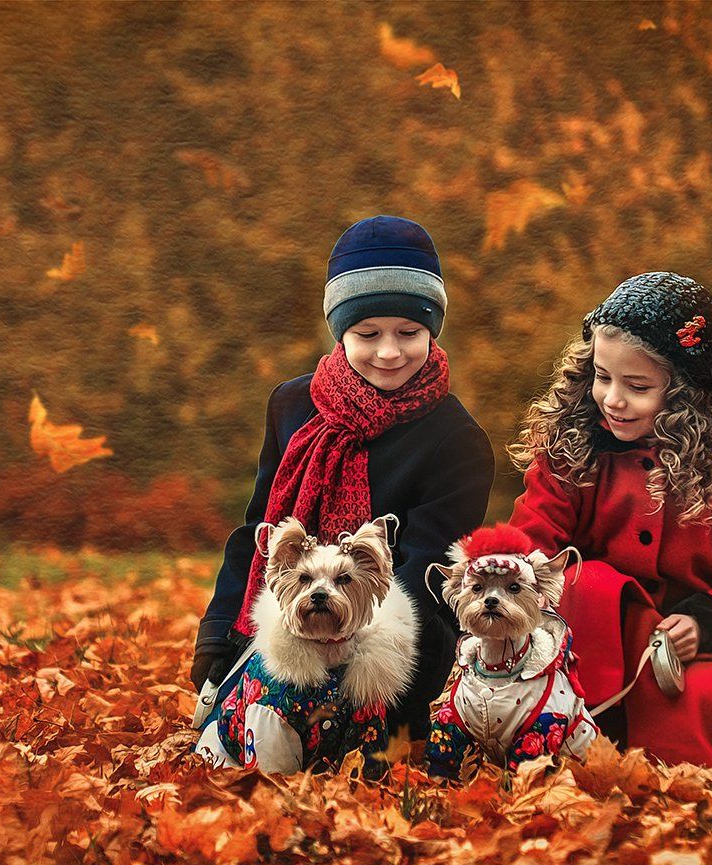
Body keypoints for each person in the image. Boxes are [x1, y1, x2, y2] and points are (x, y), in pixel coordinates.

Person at [189, 215, 495, 743]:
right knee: (238, 748)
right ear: (340, 331)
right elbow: (258, 532)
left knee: (358, 757)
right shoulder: (292, 405)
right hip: (284, 623)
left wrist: (346, 659)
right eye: (367, 334)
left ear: (433, 331)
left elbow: (425, 574)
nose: (389, 352)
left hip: (390, 648)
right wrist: (217, 639)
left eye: (409, 332)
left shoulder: (457, 440)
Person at [507, 271, 712, 769]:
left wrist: (708, 620)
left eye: (637, 386)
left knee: (710, 704)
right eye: (602, 377)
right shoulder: (571, 449)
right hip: (591, 635)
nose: (612, 399)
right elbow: (532, 541)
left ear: (686, 392)